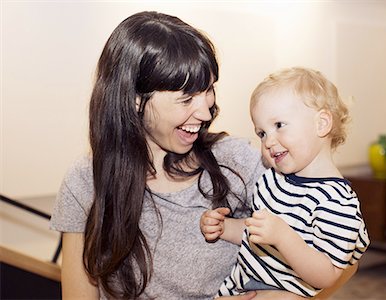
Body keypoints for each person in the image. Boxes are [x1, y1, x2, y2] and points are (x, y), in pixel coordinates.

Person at [50, 11, 333, 300]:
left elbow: (341, 255)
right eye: (186, 99)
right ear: (135, 100)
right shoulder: (86, 181)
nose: (205, 111)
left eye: (208, 90)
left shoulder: (239, 161)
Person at [201, 67, 370, 298]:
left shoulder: (337, 203)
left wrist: (283, 237)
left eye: (279, 125)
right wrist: (224, 228)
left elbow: (328, 275)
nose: (269, 141)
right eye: (261, 133)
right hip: (238, 287)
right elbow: (257, 231)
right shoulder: (272, 180)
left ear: (321, 124)